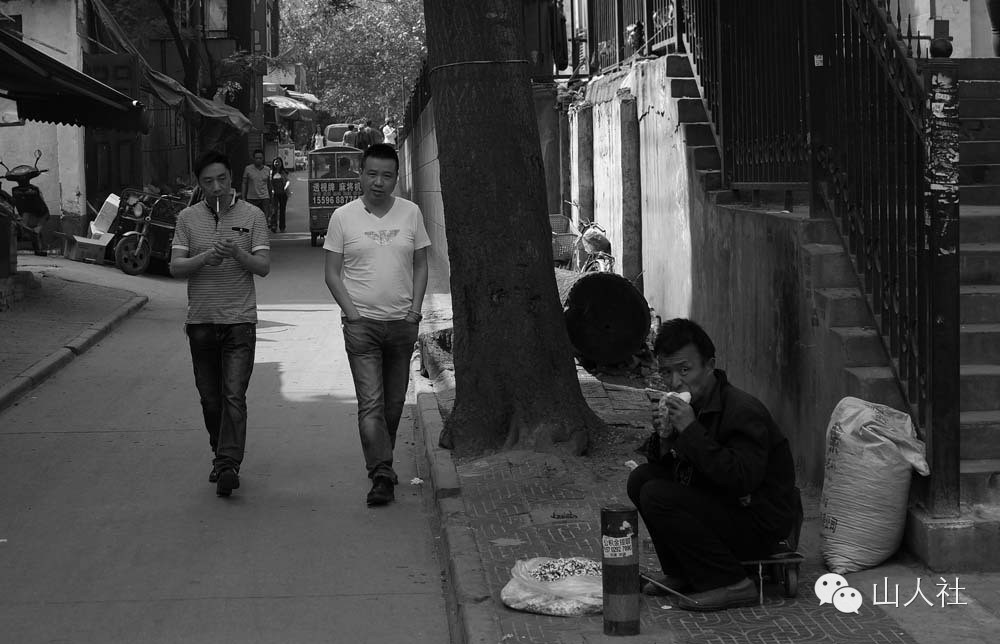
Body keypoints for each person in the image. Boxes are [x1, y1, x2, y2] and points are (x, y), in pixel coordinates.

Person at [626, 318, 797, 611]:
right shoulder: (694, 406)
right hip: (720, 506)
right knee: (641, 479)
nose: (676, 382)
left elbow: (742, 479)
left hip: (758, 522)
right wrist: (666, 440)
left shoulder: (743, 410)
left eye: (685, 370)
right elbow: (680, 470)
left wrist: (691, 431)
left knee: (658, 495)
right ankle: (680, 571)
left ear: (709, 365)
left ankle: (732, 582)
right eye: (667, 372)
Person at [323, 143, 430, 507]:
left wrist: (415, 311)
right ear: (361, 175)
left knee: (395, 403)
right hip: (362, 326)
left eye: (387, 175)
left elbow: (420, 265)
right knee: (371, 403)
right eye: (372, 174)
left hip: (402, 324)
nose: (379, 182)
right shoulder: (343, 217)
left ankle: (382, 459)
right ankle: (381, 473)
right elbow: (332, 274)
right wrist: (352, 314)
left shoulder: (411, 213)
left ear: (396, 178)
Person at [170, 150, 271, 498]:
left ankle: (228, 464)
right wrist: (205, 257)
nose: (216, 187)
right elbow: (176, 267)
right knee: (210, 399)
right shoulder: (187, 218)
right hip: (201, 322)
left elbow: (262, 266)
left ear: (232, 179)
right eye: (208, 181)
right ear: (199, 184)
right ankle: (220, 452)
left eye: (222, 180)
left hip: (240, 321)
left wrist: (237, 254)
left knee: (233, 395)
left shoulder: (252, 215)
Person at [242, 149, 274, 232]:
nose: (258, 160)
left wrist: (271, 198)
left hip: (264, 198)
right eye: (256, 158)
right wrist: (243, 197)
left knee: (264, 218)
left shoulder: (267, 169)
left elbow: (269, 184)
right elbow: (244, 183)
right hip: (251, 198)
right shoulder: (248, 169)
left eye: (260, 158)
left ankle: (262, 235)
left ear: (263, 159)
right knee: (252, 219)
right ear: (253, 159)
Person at [270, 157, 291, 233]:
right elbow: (269, 183)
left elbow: (288, 181)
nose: (277, 163)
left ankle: (282, 226)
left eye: (278, 162)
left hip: (283, 194)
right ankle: (273, 225)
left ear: (281, 163)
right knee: (274, 210)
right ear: (273, 163)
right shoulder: (271, 172)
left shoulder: (284, 172)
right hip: (274, 194)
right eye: (275, 162)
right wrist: (272, 190)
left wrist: (286, 187)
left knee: (282, 210)